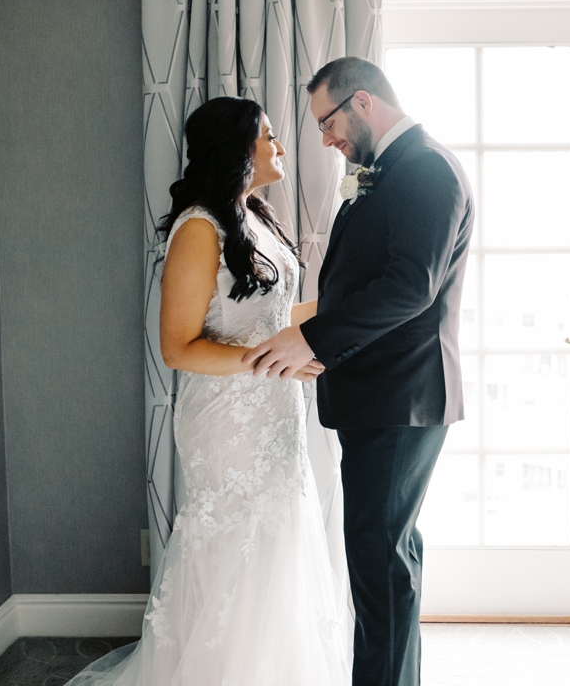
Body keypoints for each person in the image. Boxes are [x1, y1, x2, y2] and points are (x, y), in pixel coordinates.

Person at [67, 96, 351, 686]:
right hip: (227, 421)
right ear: (240, 147)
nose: (279, 147)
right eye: (268, 137)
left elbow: (269, 314)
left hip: (274, 412)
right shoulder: (200, 228)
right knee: (235, 544)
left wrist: (344, 314)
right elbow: (178, 346)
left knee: (279, 539)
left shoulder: (255, 217)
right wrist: (268, 363)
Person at [244, 57, 475, 686]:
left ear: (364, 102)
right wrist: (315, 341)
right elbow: (364, 281)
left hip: (401, 399)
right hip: (382, 393)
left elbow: (410, 288)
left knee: (379, 561)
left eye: (328, 121)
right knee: (388, 556)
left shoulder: (425, 168)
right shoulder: (386, 171)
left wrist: (311, 338)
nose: (325, 140)